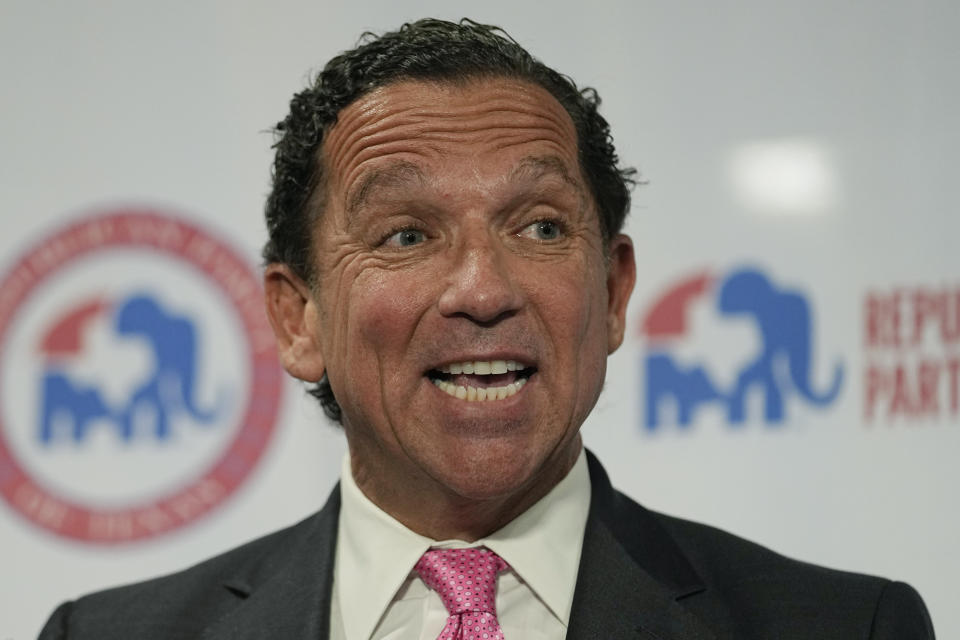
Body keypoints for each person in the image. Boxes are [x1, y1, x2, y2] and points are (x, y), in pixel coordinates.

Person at [39, 18, 934, 640]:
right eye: (406, 235)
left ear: (615, 291)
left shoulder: (844, 628)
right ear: (299, 316)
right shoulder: (107, 635)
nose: (481, 288)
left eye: (540, 227)